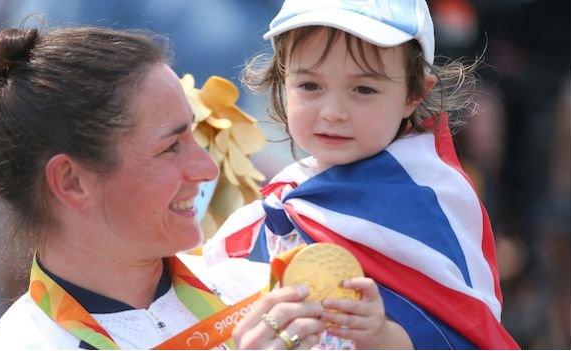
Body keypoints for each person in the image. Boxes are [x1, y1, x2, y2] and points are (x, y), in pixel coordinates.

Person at [0, 26, 330, 350]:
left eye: (193, 135)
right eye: (171, 147)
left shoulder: (261, 294)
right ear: (72, 183)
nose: (205, 169)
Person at [204, 0, 519, 349]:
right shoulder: (274, 205)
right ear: (283, 79)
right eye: (309, 85)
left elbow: (468, 336)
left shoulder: (429, 202)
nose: (333, 112)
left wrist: (384, 337)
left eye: (364, 89)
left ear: (415, 94)